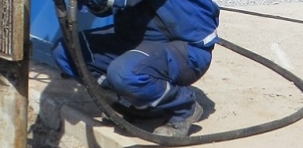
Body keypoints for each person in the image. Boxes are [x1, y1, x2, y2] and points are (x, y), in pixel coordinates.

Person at [53, 0, 220, 138]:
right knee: (67, 51)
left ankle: (184, 106)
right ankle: (129, 103)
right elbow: (103, 9)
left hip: (186, 47)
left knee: (125, 73)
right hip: (137, 39)